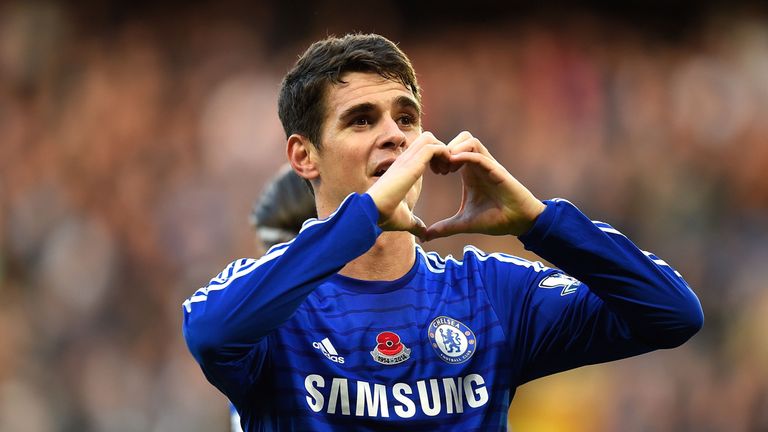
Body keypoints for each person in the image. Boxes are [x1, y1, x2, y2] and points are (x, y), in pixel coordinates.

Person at [183, 33, 703, 431]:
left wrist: (542, 222)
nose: (393, 135)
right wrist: (360, 220)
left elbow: (672, 314)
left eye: (405, 119)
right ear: (303, 156)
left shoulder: (489, 293)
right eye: (361, 121)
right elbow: (210, 334)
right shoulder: (273, 305)